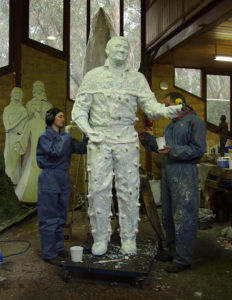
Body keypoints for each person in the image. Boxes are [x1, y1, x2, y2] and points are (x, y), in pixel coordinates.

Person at [71, 36, 183, 256]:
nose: (122, 49)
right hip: (100, 139)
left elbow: (150, 107)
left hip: (126, 139)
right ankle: (101, 238)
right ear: (108, 50)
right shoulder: (93, 77)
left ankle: (129, 239)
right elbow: (79, 110)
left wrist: (165, 111)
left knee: (129, 191)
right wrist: (89, 130)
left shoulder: (137, 79)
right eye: (118, 46)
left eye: (126, 47)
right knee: (98, 190)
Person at [139, 92, 206, 273]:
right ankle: (173, 250)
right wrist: (149, 141)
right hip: (168, 174)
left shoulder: (195, 122)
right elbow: (164, 148)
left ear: (179, 103)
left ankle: (183, 259)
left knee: (183, 216)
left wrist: (174, 150)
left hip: (184, 174)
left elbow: (199, 150)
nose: (165, 108)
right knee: (168, 214)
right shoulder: (172, 125)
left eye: (167, 104)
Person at [36, 107, 88, 265]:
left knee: (60, 216)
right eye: (60, 116)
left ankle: (58, 247)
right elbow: (56, 152)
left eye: (63, 116)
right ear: (51, 118)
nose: (63, 119)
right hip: (49, 177)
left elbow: (82, 148)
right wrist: (67, 137)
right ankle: (49, 253)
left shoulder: (65, 137)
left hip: (63, 178)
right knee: (48, 217)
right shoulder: (45, 136)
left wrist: (86, 132)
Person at [3, 87, 28, 184]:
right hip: (10, 139)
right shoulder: (7, 109)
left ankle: (16, 186)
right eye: (15, 92)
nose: (17, 94)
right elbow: (8, 127)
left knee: (16, 165)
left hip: (18, 140)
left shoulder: (23, 110)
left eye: (19, 92)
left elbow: (24, 128)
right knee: (9, 164)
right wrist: (20, 118)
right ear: (11, 94)